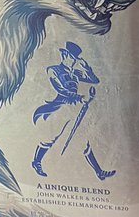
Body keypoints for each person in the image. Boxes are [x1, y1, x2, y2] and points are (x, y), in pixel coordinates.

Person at [31, 41, 115, 181]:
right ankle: (36, 162)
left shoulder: (75, 73)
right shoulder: (54, 70)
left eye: (75, 59)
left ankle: (99, 172)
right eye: (72, 57)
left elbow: (95, 80)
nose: (74, 61)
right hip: (59, 108)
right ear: (64, 55)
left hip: (74, 109)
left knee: (83, 141)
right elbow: (61, 90)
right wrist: (80, 97)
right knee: (50, 137)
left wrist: (85, 66)